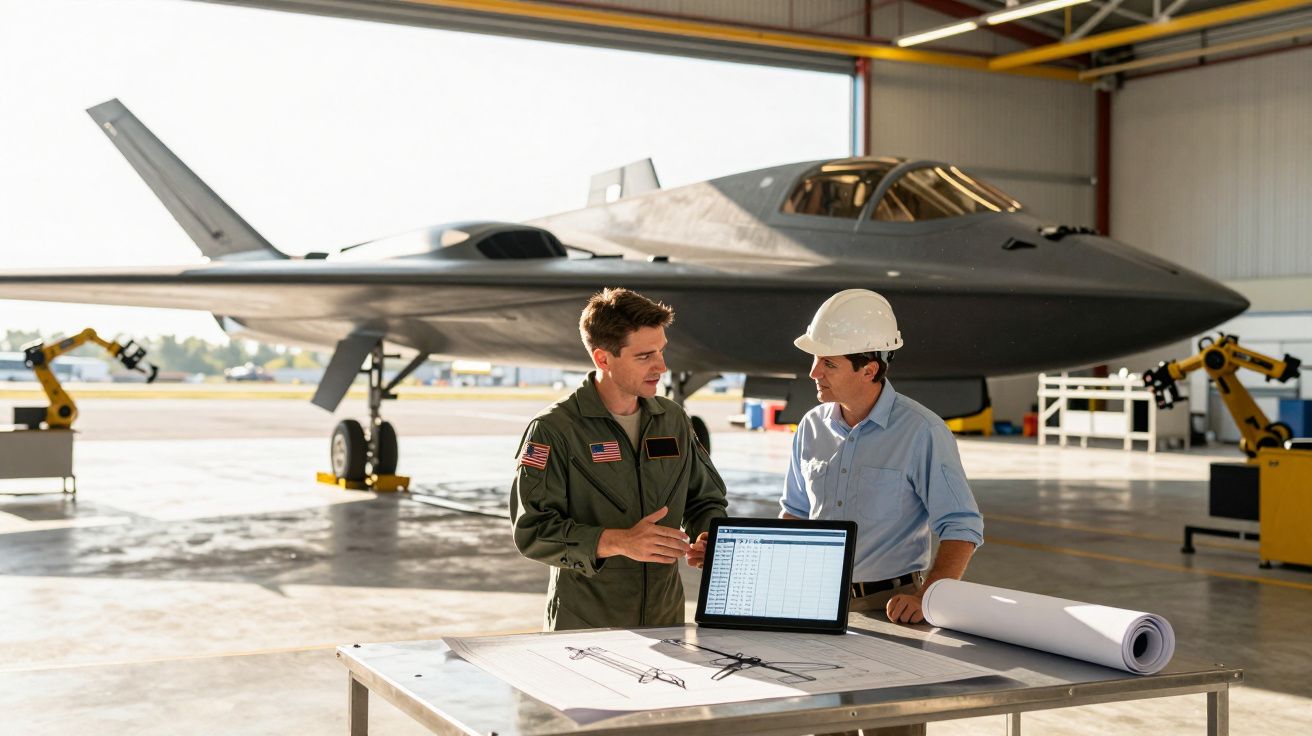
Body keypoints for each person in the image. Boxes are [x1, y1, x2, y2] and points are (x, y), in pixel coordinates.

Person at [510, 287, 729, 631]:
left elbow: (705, 500)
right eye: (644, 356)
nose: (661, 366)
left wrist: (708, 535)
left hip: (665, 622)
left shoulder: (672, 420)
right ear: (602, 359)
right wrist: (620, 541)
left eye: (661, 350)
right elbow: (532, 533)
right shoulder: (554, 430)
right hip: (585, 626)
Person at [780, 289, 984, 626]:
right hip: (815, 597)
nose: (814, 372)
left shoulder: (922, 431)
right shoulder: (811, 427)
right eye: (815, 359)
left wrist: (927, 597)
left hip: (889, 607)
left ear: (869, 370)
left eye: (829, 363)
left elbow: (962, 526)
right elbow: (796, 514)